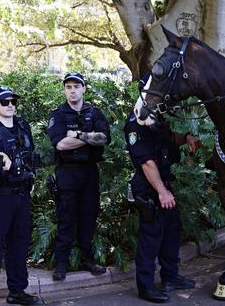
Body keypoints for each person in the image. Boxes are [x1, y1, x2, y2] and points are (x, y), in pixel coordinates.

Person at [124, 78, 201, 303]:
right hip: (150, 189)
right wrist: (161, 191)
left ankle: (170, 277)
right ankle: (146, 287)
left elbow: (167, 143)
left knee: (171, 233)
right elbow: (147, 162)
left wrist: (186, 138)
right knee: (150, 238)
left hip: (164, 184)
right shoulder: (135, 124)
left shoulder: (156, 118)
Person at [47, 72, 110, 281]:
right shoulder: (58, 114)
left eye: (76, 86)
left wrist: (77, 135)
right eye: (68, 87)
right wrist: (89, 137)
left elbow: (103, 138)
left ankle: (87, 259)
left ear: (84, 88)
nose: (72, 90)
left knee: (88, 217)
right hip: (67, 172)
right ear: (65, 90)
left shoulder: (95, 112)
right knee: (66, 218)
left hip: (89, 172)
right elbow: (61, 144)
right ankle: (61, 263)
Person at [0, 87, 41, 306]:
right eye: (4, 102)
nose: (10, 105)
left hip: (22, 194)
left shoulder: (23, 126)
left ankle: (17, 290)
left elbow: (29, 154)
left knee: (19, 245)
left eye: (13, 101)